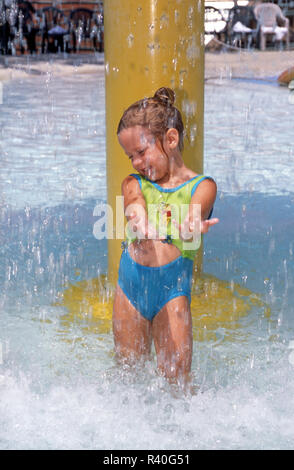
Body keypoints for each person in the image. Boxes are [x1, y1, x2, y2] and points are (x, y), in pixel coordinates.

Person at [112, 87, 219, 390]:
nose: (135, 162)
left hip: (172, 291)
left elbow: (197, 210)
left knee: (177, 384)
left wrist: (193, 223)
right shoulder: (134, 182)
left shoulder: (203, 185)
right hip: (130, 288)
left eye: (141, 152)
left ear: (171, 140)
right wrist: (140, 221)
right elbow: (134, 206)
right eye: (129, 155)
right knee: (126, 376)